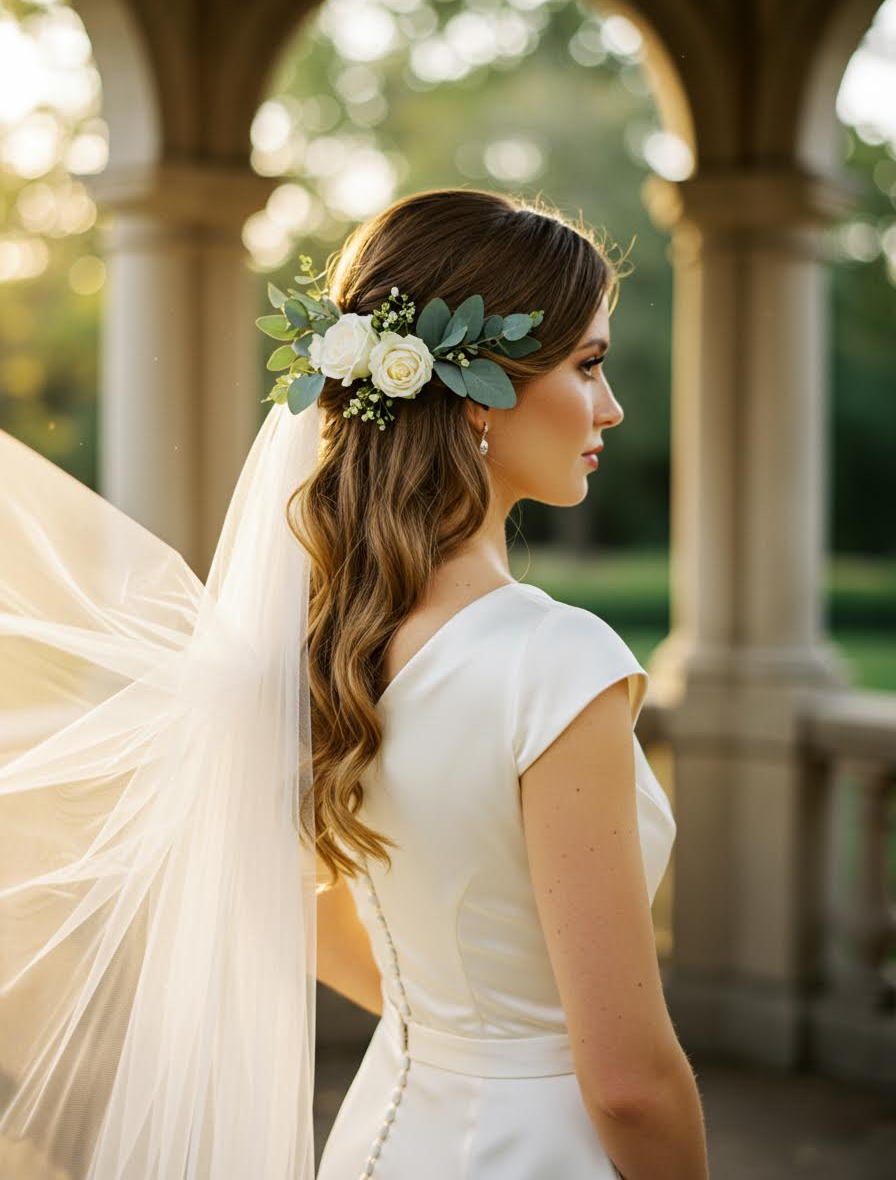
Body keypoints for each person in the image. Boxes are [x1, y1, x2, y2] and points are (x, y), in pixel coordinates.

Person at [0, 185, 709, 1179]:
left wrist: (458, 1025)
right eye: (586, 364)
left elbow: (309, 920)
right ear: (475, 391)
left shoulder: (324, 646)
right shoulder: (556, 661)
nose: (610, 406)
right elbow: (629, 1079)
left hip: (385, 1135)